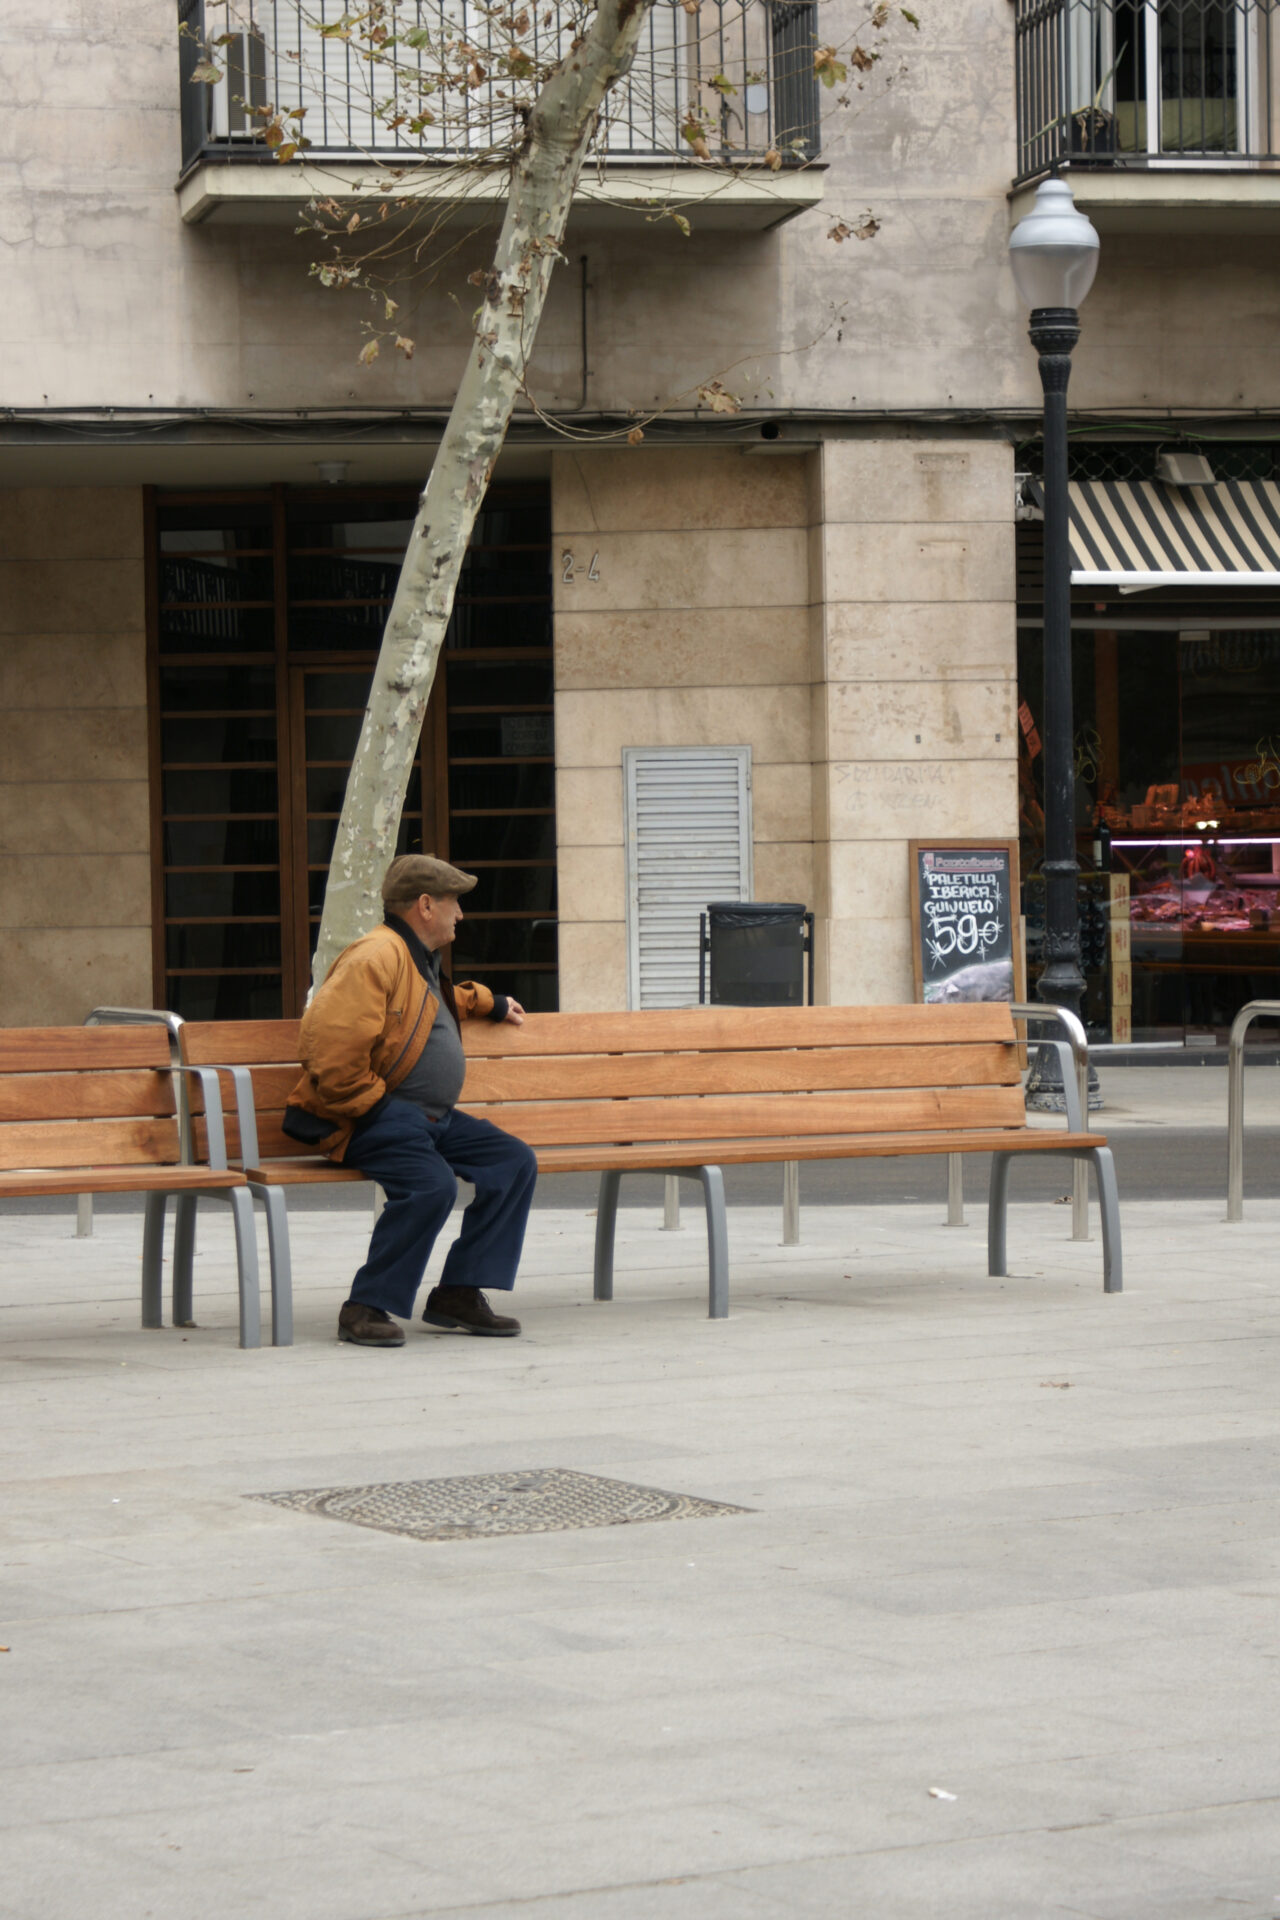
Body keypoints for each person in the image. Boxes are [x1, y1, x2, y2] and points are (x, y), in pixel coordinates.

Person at [282, 854, 538, 1348]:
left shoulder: (414, 955)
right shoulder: (374, 956)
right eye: (454, 903)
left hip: (429, 1120)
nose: (460, 914)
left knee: (512, 1162)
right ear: (425, 905)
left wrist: (490, 1001)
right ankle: (364, 1306)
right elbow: (328, 1050)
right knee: (432, 1187)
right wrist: (380, 1109)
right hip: (371, 1119)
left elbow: (421, 1010)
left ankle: (458, 1294)